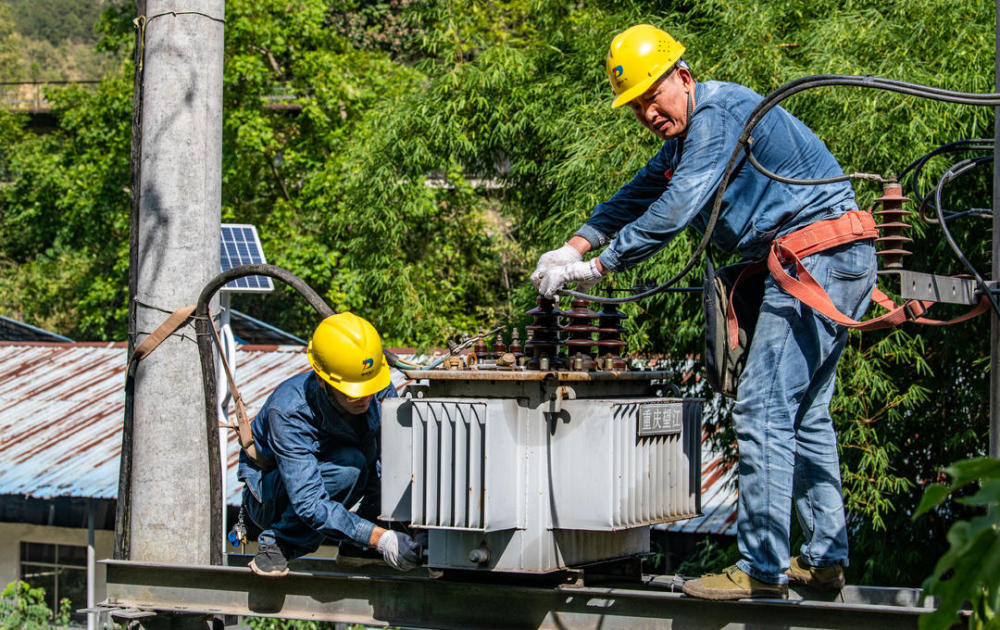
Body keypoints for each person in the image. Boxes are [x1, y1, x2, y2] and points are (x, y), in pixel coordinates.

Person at [531, 24, 876, 600]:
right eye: (636, 105)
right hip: (829, 260)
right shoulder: (687, 138)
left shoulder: (717, 116)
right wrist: (573, 246)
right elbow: (639, 193)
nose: (647, 113)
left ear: (683, 78)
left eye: (652, 96)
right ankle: (822, 561)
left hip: (817, 257)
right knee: (807, 413)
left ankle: (762, 570)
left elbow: (675, 207)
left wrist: (598, 268)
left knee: (763, 408)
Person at [238, 312, 421, 577]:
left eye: (369, 387)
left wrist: (413, 527)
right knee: (350, 467)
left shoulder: (376, 387)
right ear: (323, 380)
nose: (365, 397)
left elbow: (394, 461)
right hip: (274, 497)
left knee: (383, 455)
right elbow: (309, 502)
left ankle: (357, 548)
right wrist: (380, 539)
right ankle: (278, 543)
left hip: (332, 480)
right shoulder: (289, 410)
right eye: (353, 392)